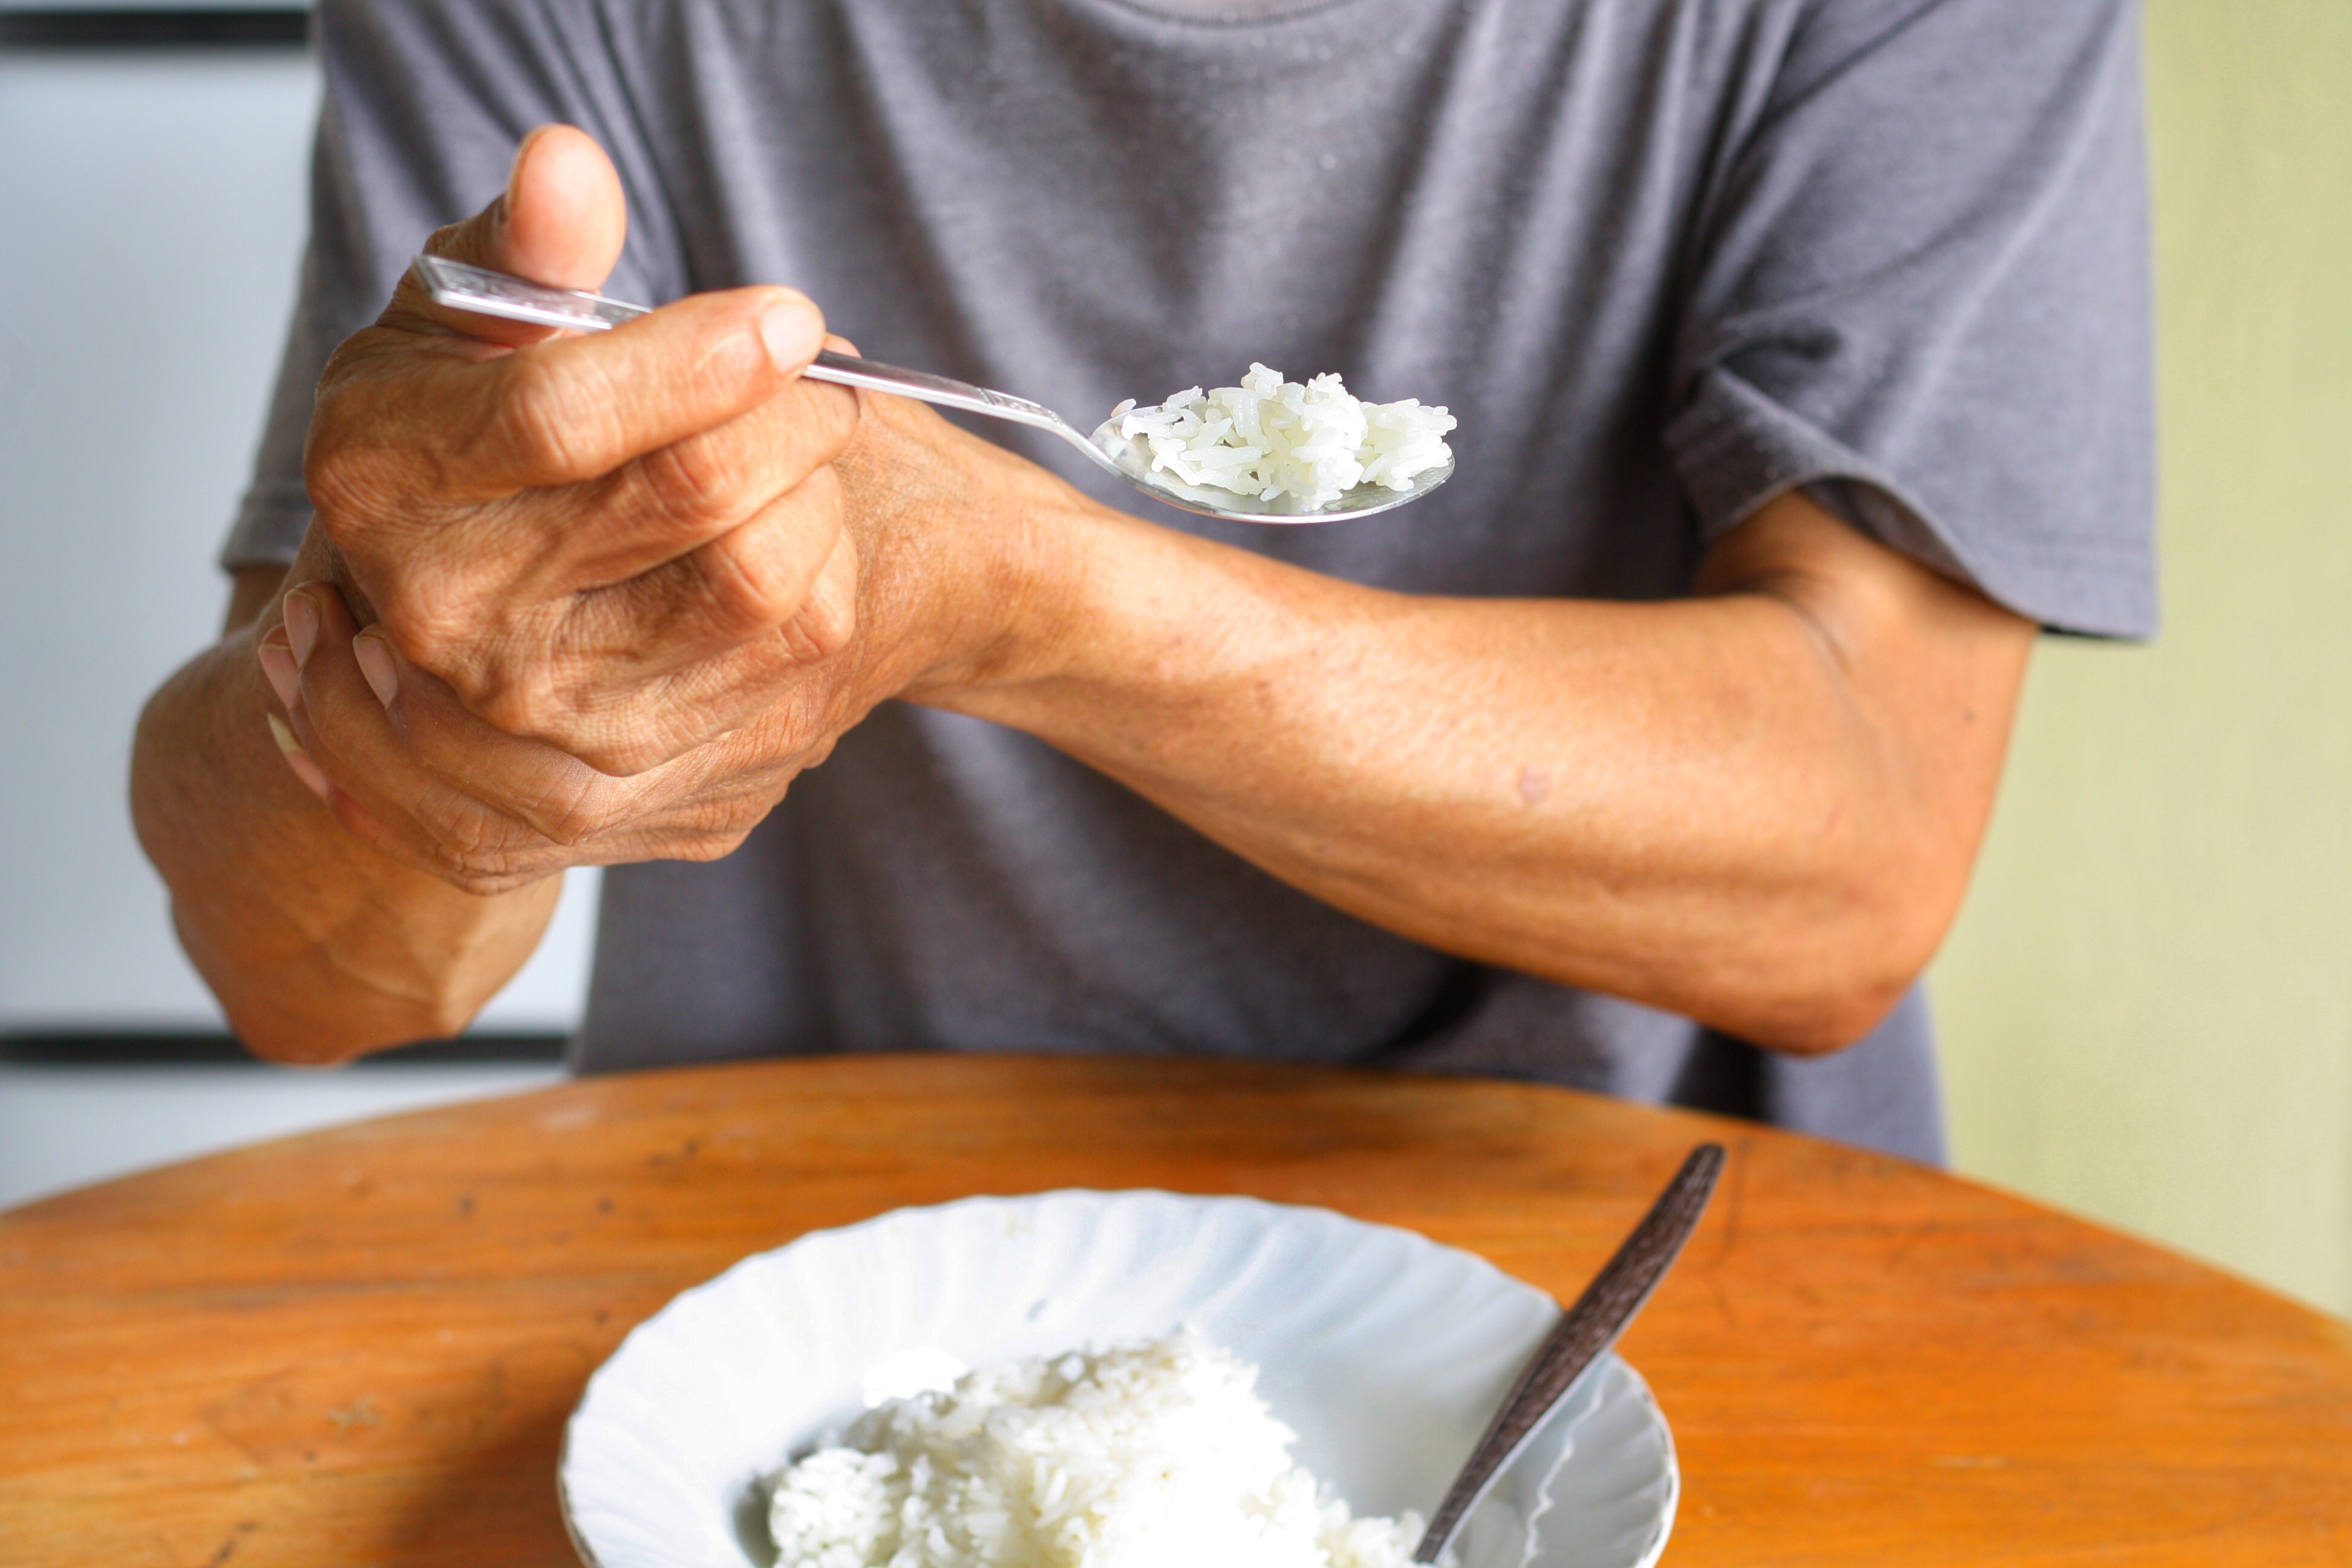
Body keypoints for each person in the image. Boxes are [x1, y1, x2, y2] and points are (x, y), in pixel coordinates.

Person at [131, 0, 2154, 1165]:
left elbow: (1857, 847)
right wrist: (399, 658)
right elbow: (326, 982)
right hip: (793, 1290)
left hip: (1636, 1277)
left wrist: (1020, 588)